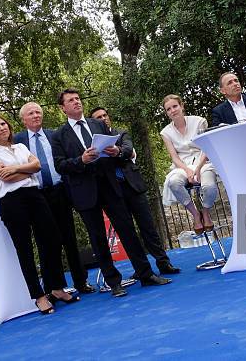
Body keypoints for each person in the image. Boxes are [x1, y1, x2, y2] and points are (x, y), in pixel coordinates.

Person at [51, 88, 171, 298]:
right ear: (63, 108)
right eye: (71, 100)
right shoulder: (58, 135)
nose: (77, 102)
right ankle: (114, 282)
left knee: (128, 230)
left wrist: (116, 151)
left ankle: (145, 274)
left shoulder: (98, 124)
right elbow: (60, 165)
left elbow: (116, 148)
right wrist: (81, 160)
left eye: (78, 98)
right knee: (98, 238)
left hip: (110, 185)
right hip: (85, 192)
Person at [0, 114, 79, 315]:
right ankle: (39, 296)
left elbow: (38, 166)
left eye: (4, 124)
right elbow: (4, 176)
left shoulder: (21, 147)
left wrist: (16, 168)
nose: (2, 128)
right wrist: (27, 170)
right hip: (12, 202)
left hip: (35, 196)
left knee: (52, 239)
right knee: (24, 249)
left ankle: (56, 288)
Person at [14, 102, 95, 294]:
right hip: (36, 195)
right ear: (23, 119)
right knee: (46, 242)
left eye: (38, 112)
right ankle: (53, 287)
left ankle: (80, 281)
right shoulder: (17, 141)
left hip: (60, 191)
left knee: (69, 238)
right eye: (31, 113)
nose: (35, 116)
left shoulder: (54, 135)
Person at [90, 107, 180, 276]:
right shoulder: (92, 143)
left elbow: (128, 150)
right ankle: (142, 269)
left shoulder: (121, 133)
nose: (103, 119)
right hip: (112, 192)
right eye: (98, 118)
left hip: (133, 186)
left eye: (105, 115)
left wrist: (117, 152)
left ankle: (163, 263)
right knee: (128, 233)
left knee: (148, 227)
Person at [160, 94, 218, 235]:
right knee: (173, 183)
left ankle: (205, 212)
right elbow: (174, 156)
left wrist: (197, 168)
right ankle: (195, 214)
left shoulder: (199, 121)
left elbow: (207, 148)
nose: (173, 110)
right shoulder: (165, 132)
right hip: (182, 165)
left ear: (182, 106)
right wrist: (187, 170)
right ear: (166, 113)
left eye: (175, 106)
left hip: (203, 162)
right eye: (168, 109)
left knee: (209, 186)